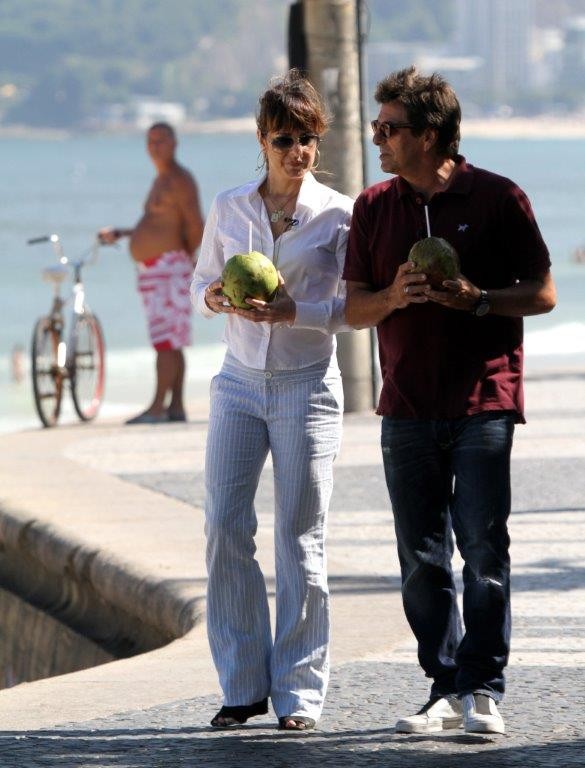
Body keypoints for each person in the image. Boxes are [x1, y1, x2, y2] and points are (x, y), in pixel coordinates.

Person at [344, 66, 556, 735]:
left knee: (483, 550)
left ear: (431, 135)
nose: (378, 138)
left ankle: (482, 688)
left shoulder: (497, 198)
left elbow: (543, 292)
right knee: (421, 559)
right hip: (404, 405)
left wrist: (480, 300)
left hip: (482, 401)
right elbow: (353, 308)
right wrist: (392, 298)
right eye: (376, 127)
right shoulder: (373, 208)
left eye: (390, 129)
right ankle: (441, 685)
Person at [191, 70, 353, 731]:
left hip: (305, 386)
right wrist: (217, 298)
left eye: (308, 138)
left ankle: (298, 693)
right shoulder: (230, 206)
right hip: (236, 383)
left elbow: (354, 307)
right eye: (285, 137)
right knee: (224, 527)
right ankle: (241, 684)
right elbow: (201, 281)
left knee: (299, 538)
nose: (297, 151)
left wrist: (296, 311)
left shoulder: (340, 214)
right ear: (261, 139)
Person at [98, 122, 204, 424]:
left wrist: (189, 257)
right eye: (150, 140)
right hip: (159, 269)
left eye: (161, 140)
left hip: (170, 268)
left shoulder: (180, 179)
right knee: (172, 340)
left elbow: (195, 224)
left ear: (175, 143)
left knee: (166, 342)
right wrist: (124, 233)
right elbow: (160, 224)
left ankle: (157, 407)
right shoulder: (162, 179)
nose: (155, 146)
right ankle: (176, 407)